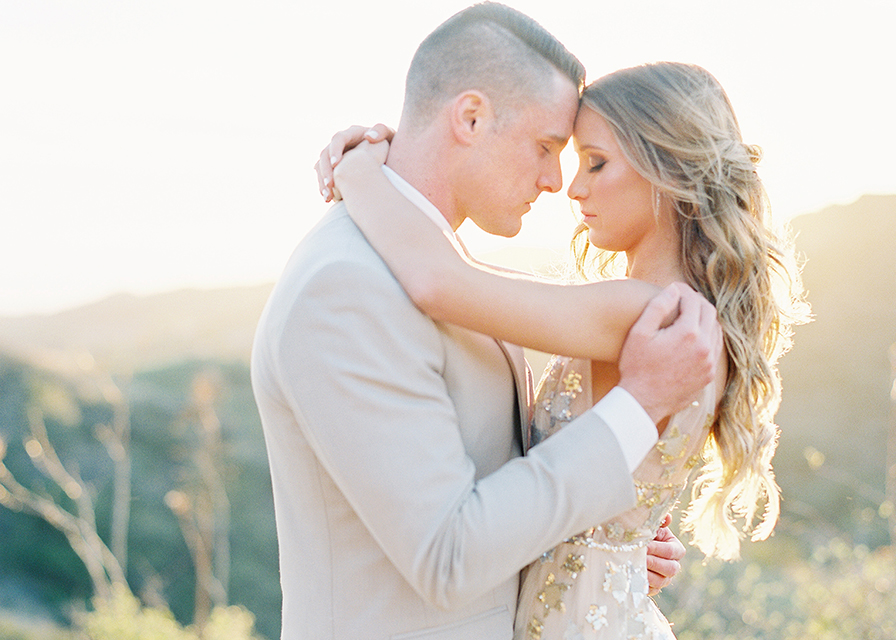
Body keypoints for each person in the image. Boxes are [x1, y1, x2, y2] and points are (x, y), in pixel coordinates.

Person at [251, 4, 721, 640]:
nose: (558, 182)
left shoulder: (457, 269)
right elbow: (449, 554)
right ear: (470, 118)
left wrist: (607, 547)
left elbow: (500, 478)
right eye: (548, 147)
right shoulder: (347, 288)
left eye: (586, 160)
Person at [318, 61, 808, 639]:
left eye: (595, 163)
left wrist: (361, 172)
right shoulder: (688, 313)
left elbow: (440, 282)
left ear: (667, 169)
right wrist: (624, 545)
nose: (573, 187)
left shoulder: (640, 314)